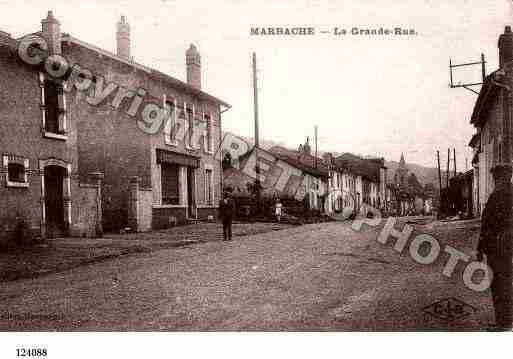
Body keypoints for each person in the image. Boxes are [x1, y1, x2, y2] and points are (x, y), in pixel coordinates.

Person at [477, 164, 513, 331]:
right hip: (505, 246)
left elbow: (487, 223)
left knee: (499, 284)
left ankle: (504, 323)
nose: (495, 180)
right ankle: (505, 321)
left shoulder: (499, 195)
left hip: (497, 247)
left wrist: (480, 248)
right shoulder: (507, 193)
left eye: (496, 177)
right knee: (505, 282)